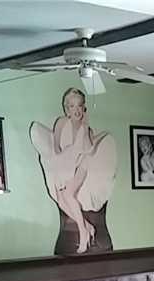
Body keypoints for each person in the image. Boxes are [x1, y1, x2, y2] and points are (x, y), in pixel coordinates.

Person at [30, 87, 117, 254]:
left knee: (69, 194)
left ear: (84, 108)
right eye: (72, 106)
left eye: (79, 106)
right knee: (61, 199)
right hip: (65, 163)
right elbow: (56, 148)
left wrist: (87, 128)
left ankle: (83, 233)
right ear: (66, 109)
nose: (76, 110)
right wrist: (62, 170)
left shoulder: (86, 128)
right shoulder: (61, 122)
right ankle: (87, 226)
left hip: (83, 163)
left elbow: (89, 149)